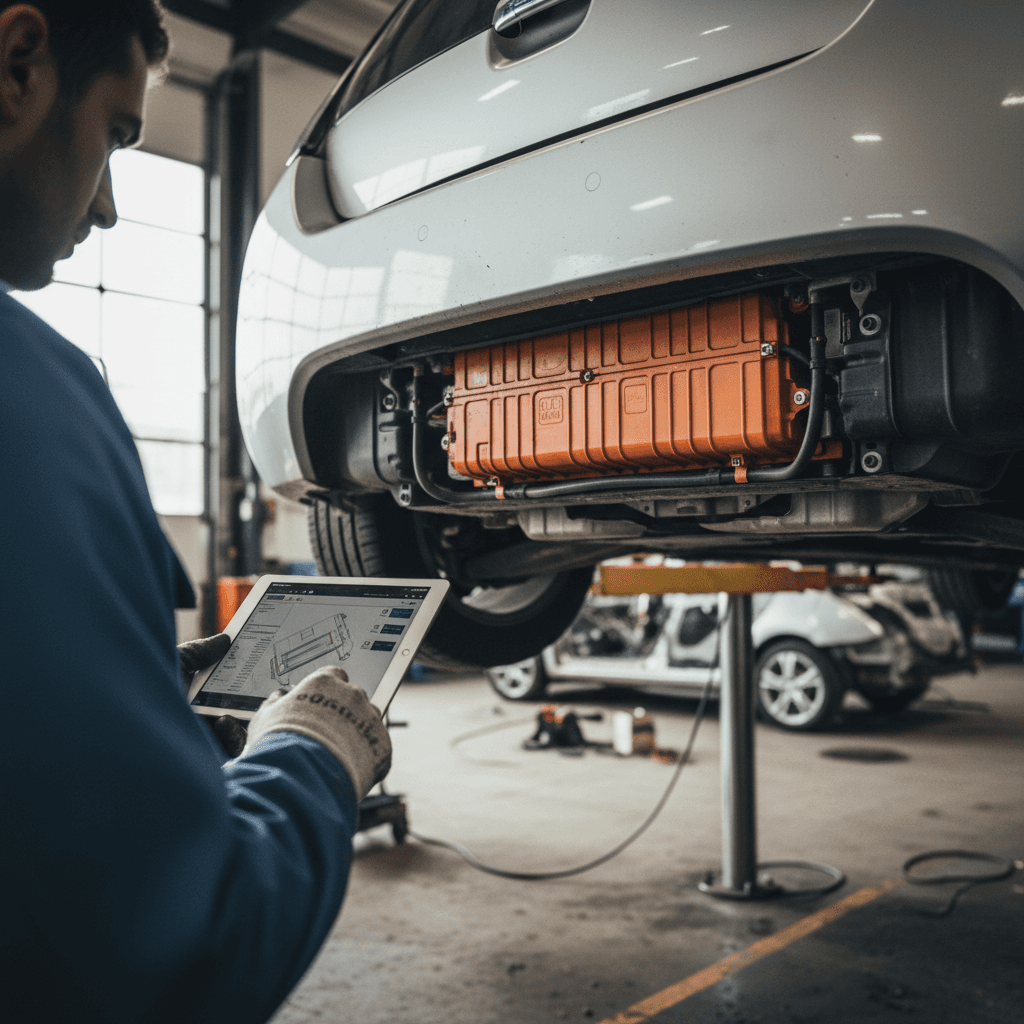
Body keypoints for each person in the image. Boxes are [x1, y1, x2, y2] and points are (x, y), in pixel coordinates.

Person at [0, 4, 392, 1022]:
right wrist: (313, 749)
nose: (108, 211)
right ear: (17, 62)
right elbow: (185, 948)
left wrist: (120, 693)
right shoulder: (29, 394)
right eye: (117, 136)